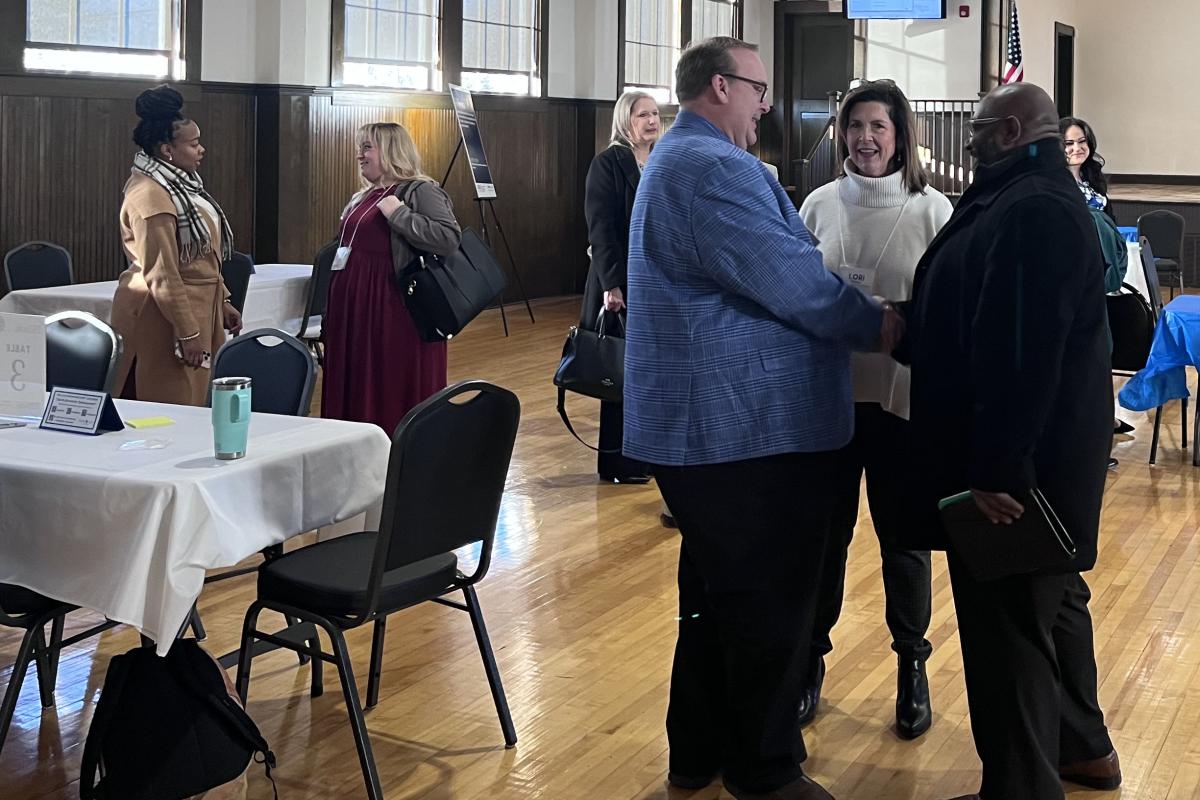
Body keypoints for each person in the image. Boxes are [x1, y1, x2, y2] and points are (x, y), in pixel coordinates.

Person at [624, 37, 904, 800]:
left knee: (715, 601)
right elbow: (796, 283)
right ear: (720, 86)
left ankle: (700, 751)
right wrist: (879, 325)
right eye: (758, 89)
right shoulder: (711, 166)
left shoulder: (684, 159)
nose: (766, 105)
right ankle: (765, 770)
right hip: (737, 430)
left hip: (718, 430)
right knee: (767, 604)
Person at [901, 83, 1120, 800]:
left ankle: (1021, 789)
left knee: (1009, 633)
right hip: (1036, 462)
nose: (967, 141)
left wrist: (997, 469)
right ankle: (1083, 749)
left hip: (1020, 470)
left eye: (978, 130)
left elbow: (1022, 353)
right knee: (1050, 609)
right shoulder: (1025, 194)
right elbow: (982, 310)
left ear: (1014, 129)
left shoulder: (1034, 207)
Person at [798, 79, 953, 739]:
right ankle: (810, 663)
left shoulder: (933, 210)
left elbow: (947, 311)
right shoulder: (817, 204)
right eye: (855, 125)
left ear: (900, 135)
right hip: (828, 397)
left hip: (899, 400)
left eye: (878, 127)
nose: (865, 138)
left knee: (904, 541)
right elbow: (797, 292)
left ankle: (911, 667)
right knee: (824, 542)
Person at [321, 122, 460, 434]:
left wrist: (399, 214)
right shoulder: (365, 195)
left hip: (393, 308)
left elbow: (448, 238)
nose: (360, 155)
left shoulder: (420, 190)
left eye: (367, 147)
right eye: (360, 148)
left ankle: (398, 449)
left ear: (391, 151)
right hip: (357, 307)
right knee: (358, 380)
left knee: (390, 381)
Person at [111, 84, 241, 405]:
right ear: (167, 149)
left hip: (196, 304)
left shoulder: (180, 186)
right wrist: (188, 331)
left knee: (196, 398)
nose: (202, 150)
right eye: (194, 144)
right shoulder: (150, 194)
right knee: (171, 402)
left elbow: (200, 255)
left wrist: (221, 299)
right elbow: (163, 273)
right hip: (160, 315)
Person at [580, 90, 660, 483]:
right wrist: (613, 285)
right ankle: (619, 462)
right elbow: (602, 231)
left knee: (649, 372)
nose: (651, 121)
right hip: (621, 282)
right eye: (642, 114)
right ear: (624, 120)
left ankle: (647, 456)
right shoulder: (607, 163)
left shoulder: (661, 161)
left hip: (656, 282)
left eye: (655, 114)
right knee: (619, 371)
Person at [1061, 116, 1133, 449]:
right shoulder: (1055, 184)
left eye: (1082, 142)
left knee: (1102, 351)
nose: (1076, 149)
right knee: (1081, 355)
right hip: (1073, 284)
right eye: (1068, 143)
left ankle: (1104, 417)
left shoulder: (1093, 182)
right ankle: (1088, 427)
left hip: (1100, 281)